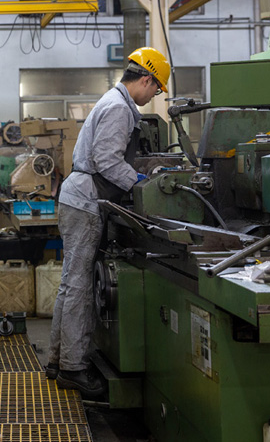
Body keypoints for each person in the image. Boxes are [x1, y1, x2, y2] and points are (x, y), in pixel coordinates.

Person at [46, 47, 170, 398]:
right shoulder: (118, 108)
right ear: (146, 79)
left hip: (80, 198)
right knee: (79, 286)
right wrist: (142, 185)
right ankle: (73, 368)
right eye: (156, 88)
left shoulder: (114, 102)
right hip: (85, 202)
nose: (154, 95)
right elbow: (106, 161)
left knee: (71, 283)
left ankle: (58, 360)